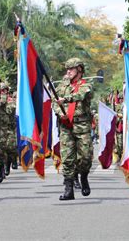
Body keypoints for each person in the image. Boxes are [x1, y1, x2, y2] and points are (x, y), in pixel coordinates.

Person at [54, 58, 93, 201]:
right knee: (67, 158)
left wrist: (65, 100)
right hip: (66, 126)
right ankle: (68, 189)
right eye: (67, 69)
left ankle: (83, 176)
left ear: (79, 70)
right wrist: (60, 113)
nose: (68, 71)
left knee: (86, 157)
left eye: (71, 69)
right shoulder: (61, 87)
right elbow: (55, 102)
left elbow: (80, 96)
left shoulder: (86, 86)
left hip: (82, 125)